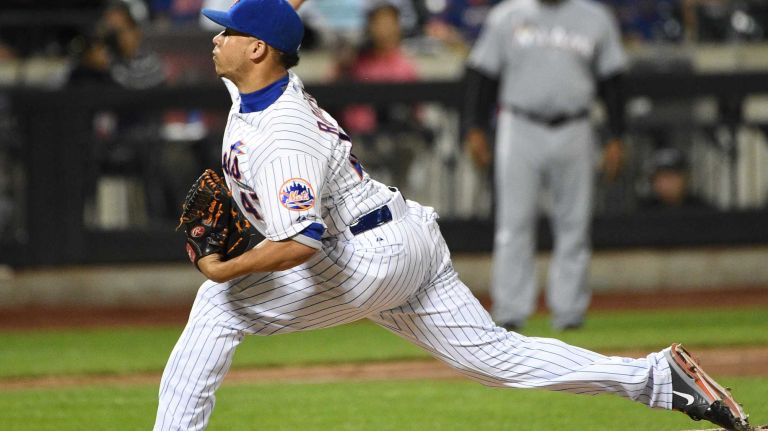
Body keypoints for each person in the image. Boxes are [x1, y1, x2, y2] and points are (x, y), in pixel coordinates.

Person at [152, 1, 751, 430]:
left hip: (360, 259)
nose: (216, 36)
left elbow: (304, 240)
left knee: (218, 308)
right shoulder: (258, 81)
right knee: (493, 356)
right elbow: (277, 14)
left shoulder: (281, 137)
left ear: (256, 49)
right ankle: (657, 378)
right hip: (406, 237)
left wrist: (226, 272)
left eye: (227, 31)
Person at [462, 0, 628, 332]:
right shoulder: (507, 15)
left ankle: (569, 312)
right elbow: (482, 75)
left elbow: (613, 80)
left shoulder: (595, 17)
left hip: (576, 125)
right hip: (519, 123)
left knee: (574, 224)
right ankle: (510, 310)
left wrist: (616, 136)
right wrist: (474, 127)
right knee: (513, 222)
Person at [639, 147, 711, 210]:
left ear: (686, 177)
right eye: (660, 178)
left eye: (671, 177)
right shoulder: (644, 212)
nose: (666, 184)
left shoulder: (702, 211)